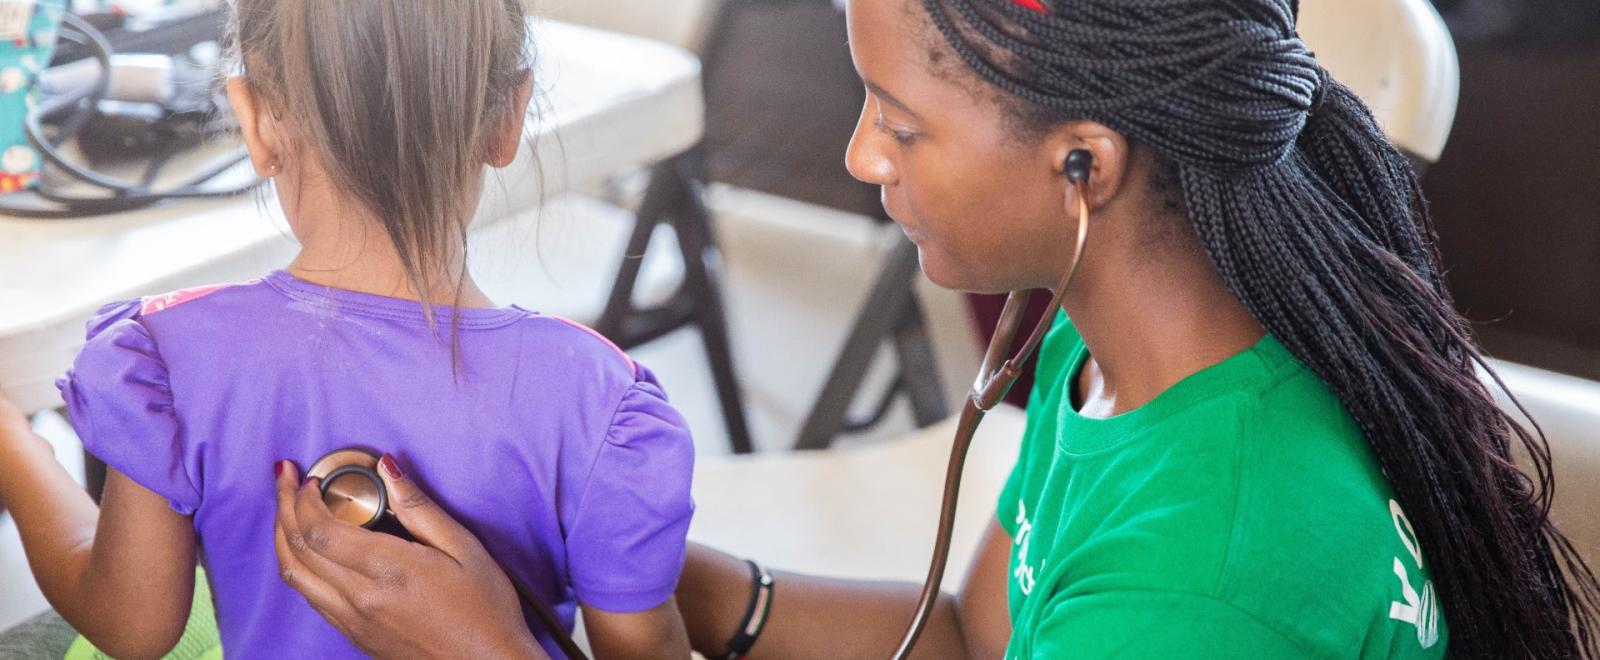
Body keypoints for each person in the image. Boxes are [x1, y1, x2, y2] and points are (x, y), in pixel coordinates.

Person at [0, 1, 696, 658]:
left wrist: (14, 442)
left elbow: (130, 627)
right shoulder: (605, 402)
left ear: (256, 121)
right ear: (509, 117)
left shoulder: (164, 356)